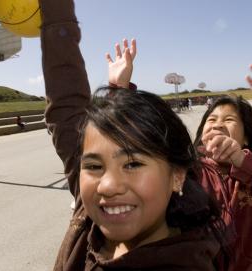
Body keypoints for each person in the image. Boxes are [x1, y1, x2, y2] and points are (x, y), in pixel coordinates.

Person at [39, 1, 227, 270]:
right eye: (93, 166)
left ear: (177, 176)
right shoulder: (89, 213)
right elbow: (65, 105)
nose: (107, 186)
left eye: (133, 163)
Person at [194, 93, 252, 271]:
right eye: (211, 119)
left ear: (246, 139)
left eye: (229, 119)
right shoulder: (188, 171)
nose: (218, 124)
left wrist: (241, 161)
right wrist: (120, 90)